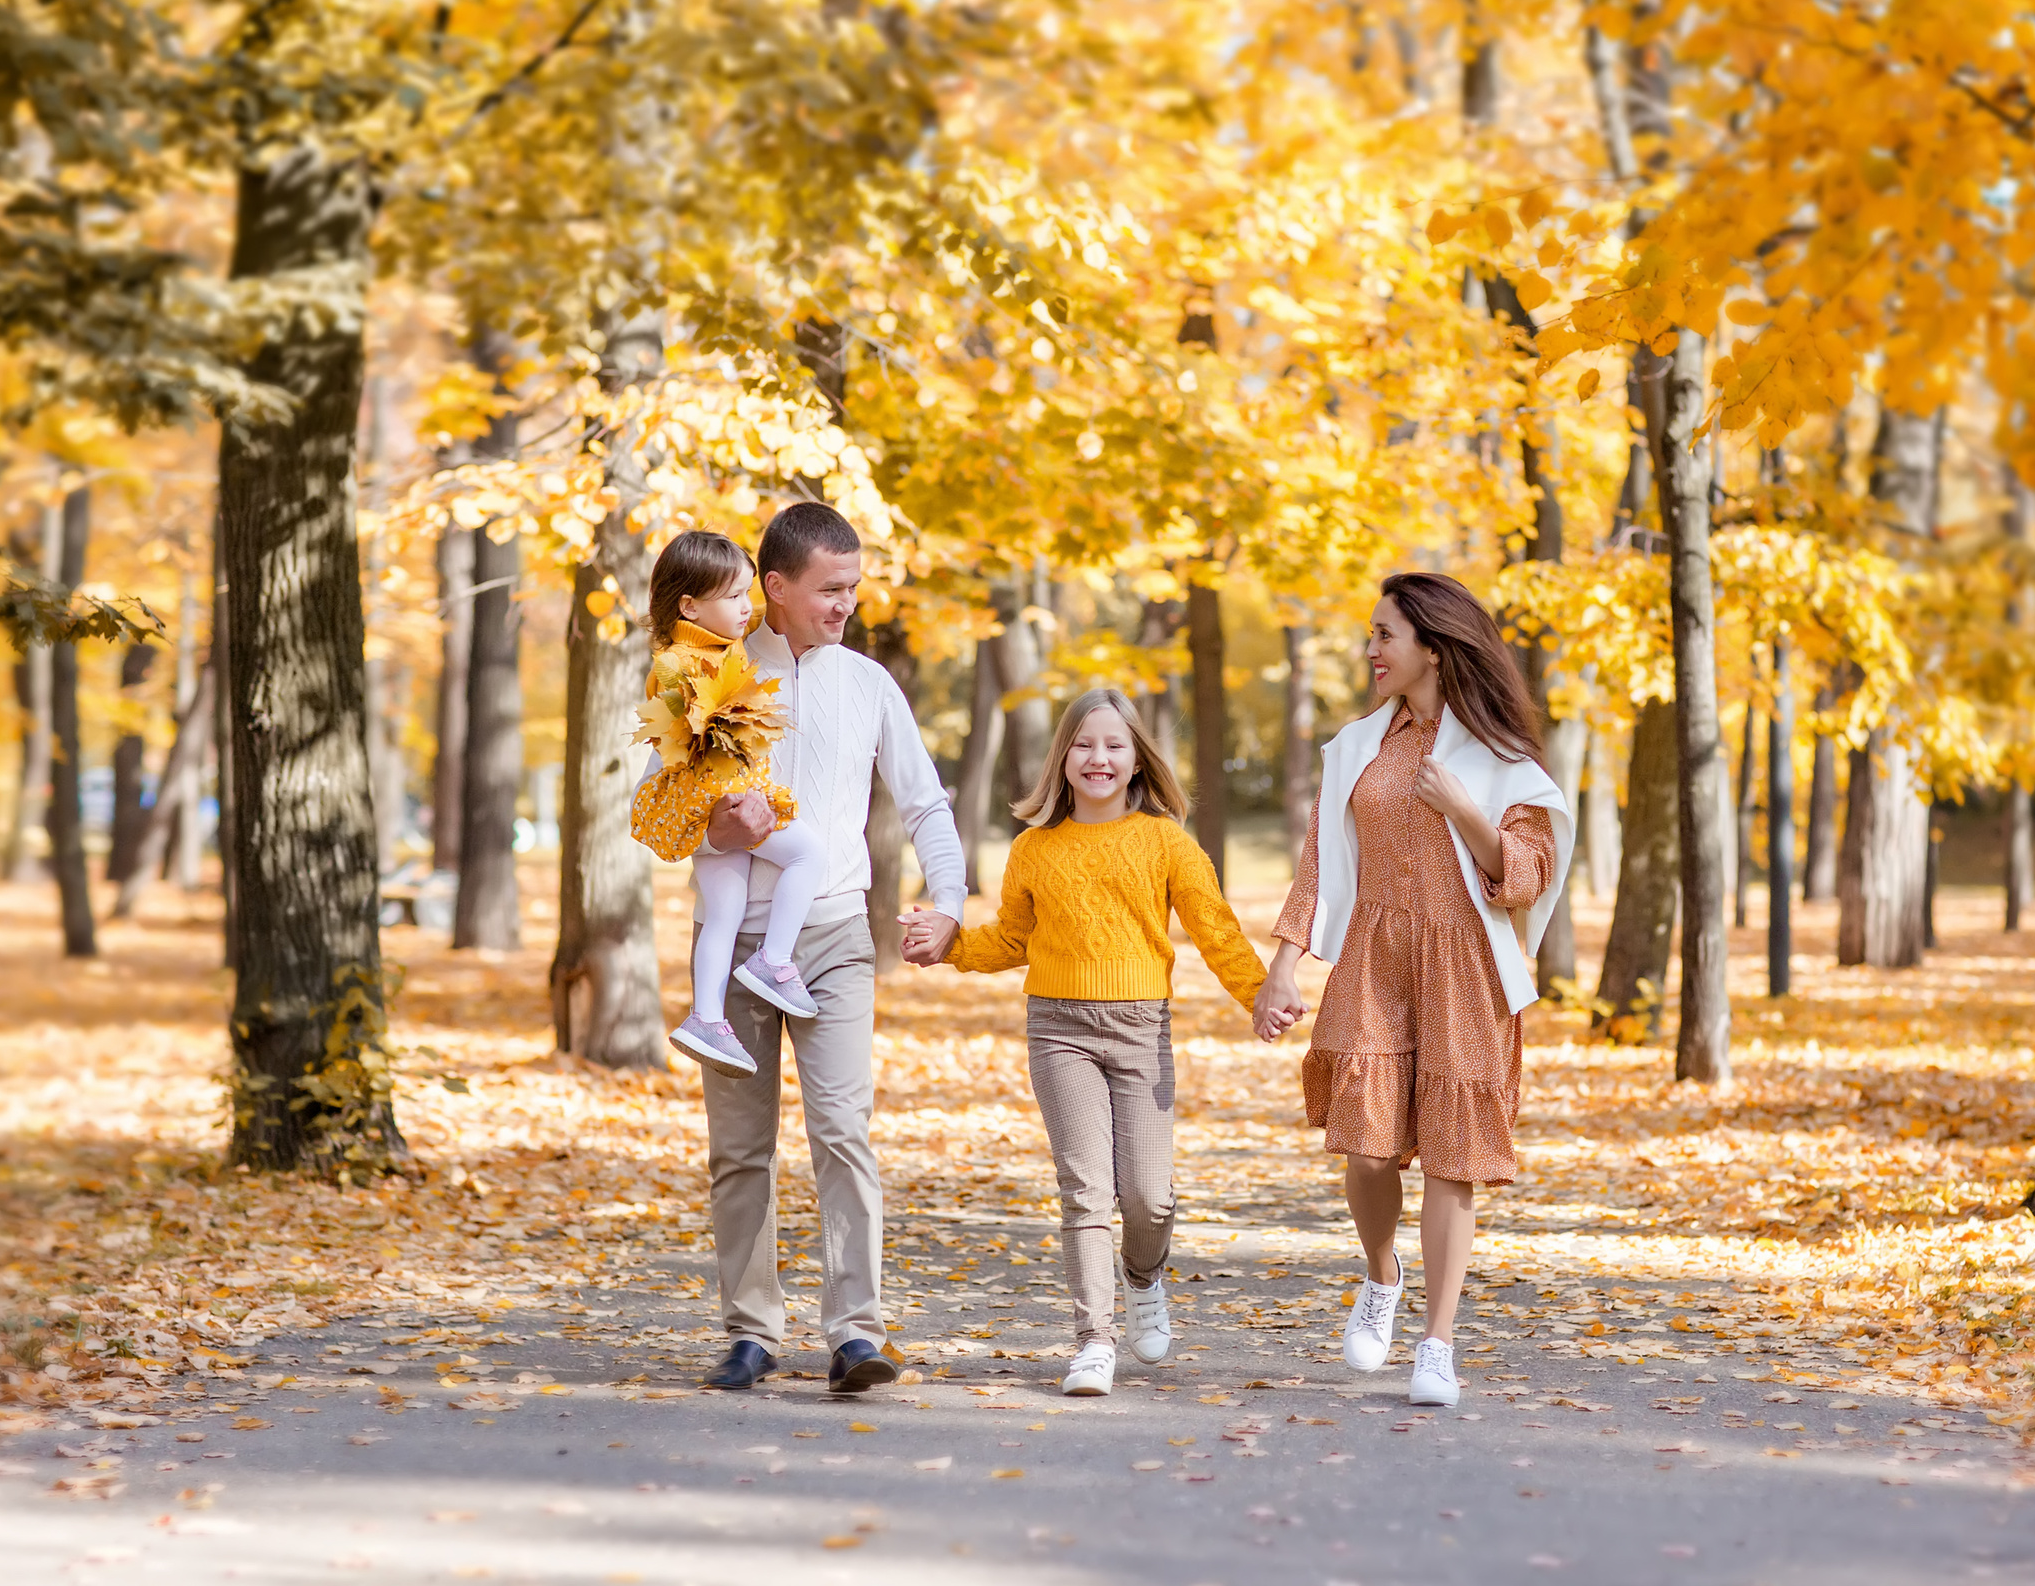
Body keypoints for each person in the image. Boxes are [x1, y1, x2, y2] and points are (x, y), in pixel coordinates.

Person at [648, 502, 966, 1396]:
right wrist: (715, 825)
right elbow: (653, 813)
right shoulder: (705, 672)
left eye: (854, 588)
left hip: (831, 939)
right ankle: (750, 1330)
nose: (847, 605)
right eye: (831, 590)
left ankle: (856, 1334)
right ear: (776, 588)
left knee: (842, 1130)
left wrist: (948, 900)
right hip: (733, 940)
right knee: (742, 1149)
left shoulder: (868, 684)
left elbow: (925, 801)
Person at [1251, 572, 1572, 1408]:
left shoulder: (1502, 758)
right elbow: (1321, 860)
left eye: (1384, 635)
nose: (1370, 651)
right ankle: (1382, 1274)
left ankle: (1438, 1342)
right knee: (1366, 1145)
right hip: (1376, 955)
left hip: (1465, 965)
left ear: (1433, 643)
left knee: (1452, 1162)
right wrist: (1284, 963)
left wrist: (1468, 811)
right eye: (1371, 634)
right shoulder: (1361, 746)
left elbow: (1529, 873)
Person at [901, 689, 1269, 1397]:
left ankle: (1143, 1273)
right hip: (1058, 1027)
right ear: (1062, 757)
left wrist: (1261, 994)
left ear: (1137, 759)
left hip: (1140, 1029)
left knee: (1149, 1197)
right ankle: (1093, 1341)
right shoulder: (1033, 848)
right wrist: (948, 944)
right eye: (1084, 744)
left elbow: (1216, 928)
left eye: (1114, 745)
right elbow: (1012, 938)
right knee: (1085, 1190)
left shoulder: (1166, 841)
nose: (1098, 757)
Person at [630, 531, 830, 1074]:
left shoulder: (707, 650)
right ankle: (774, 960)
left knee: (725, 911)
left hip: (710, 805)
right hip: (723, 798)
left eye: (748, 594)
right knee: (809, 854)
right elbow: (693, 734)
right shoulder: (684, 661)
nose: (748, 608)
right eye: (734, 597)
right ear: (690, 605)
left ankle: (706, 1017)